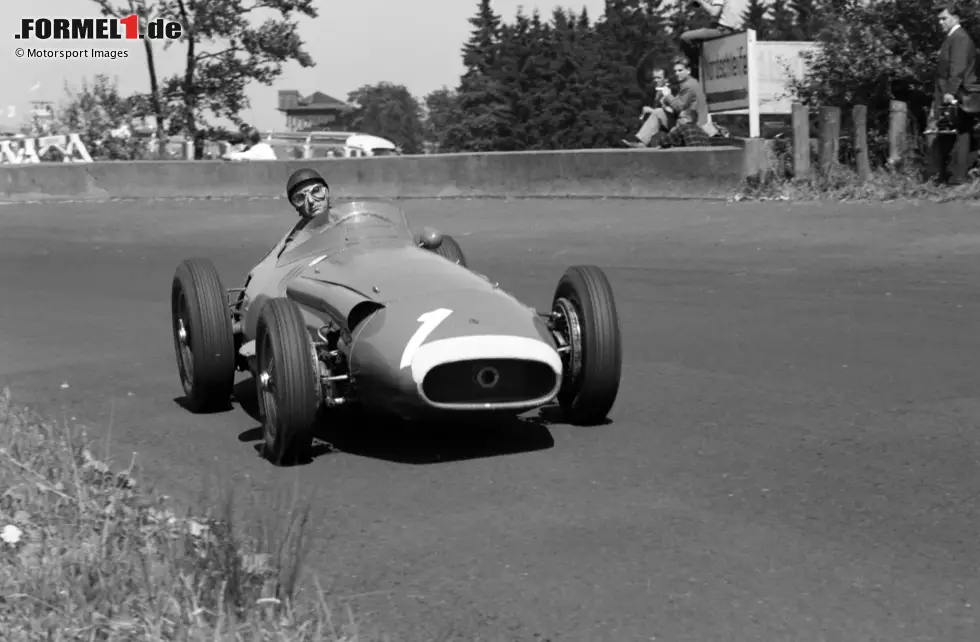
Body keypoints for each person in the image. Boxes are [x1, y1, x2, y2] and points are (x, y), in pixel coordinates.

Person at [929, 4, 978, 185]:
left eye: (944, 18)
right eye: (939, 19)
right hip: (954, 92)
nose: (940, 22)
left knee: (960, 132)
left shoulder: (959, 38)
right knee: (951, 132)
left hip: (960, 93)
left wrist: (950, 92)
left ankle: (958, 176)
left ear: (956, 18)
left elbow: (957, 67)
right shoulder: (953, 37)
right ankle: (950, 175)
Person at [623, 67, 677, 148]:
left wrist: (652, 110)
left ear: (666, 79)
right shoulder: (653, 92)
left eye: (659, 78)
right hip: (657, 121)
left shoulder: (671, 91)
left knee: (657, 111)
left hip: (671, 122)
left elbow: (674, 111)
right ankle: (632, 139)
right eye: (654, 78)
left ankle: (642, 142)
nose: (656, 80)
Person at [679, 0, 747, 45]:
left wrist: (700, 1)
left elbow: (714, 12)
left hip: (723, 30)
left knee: (685, 37)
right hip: (729, 30)